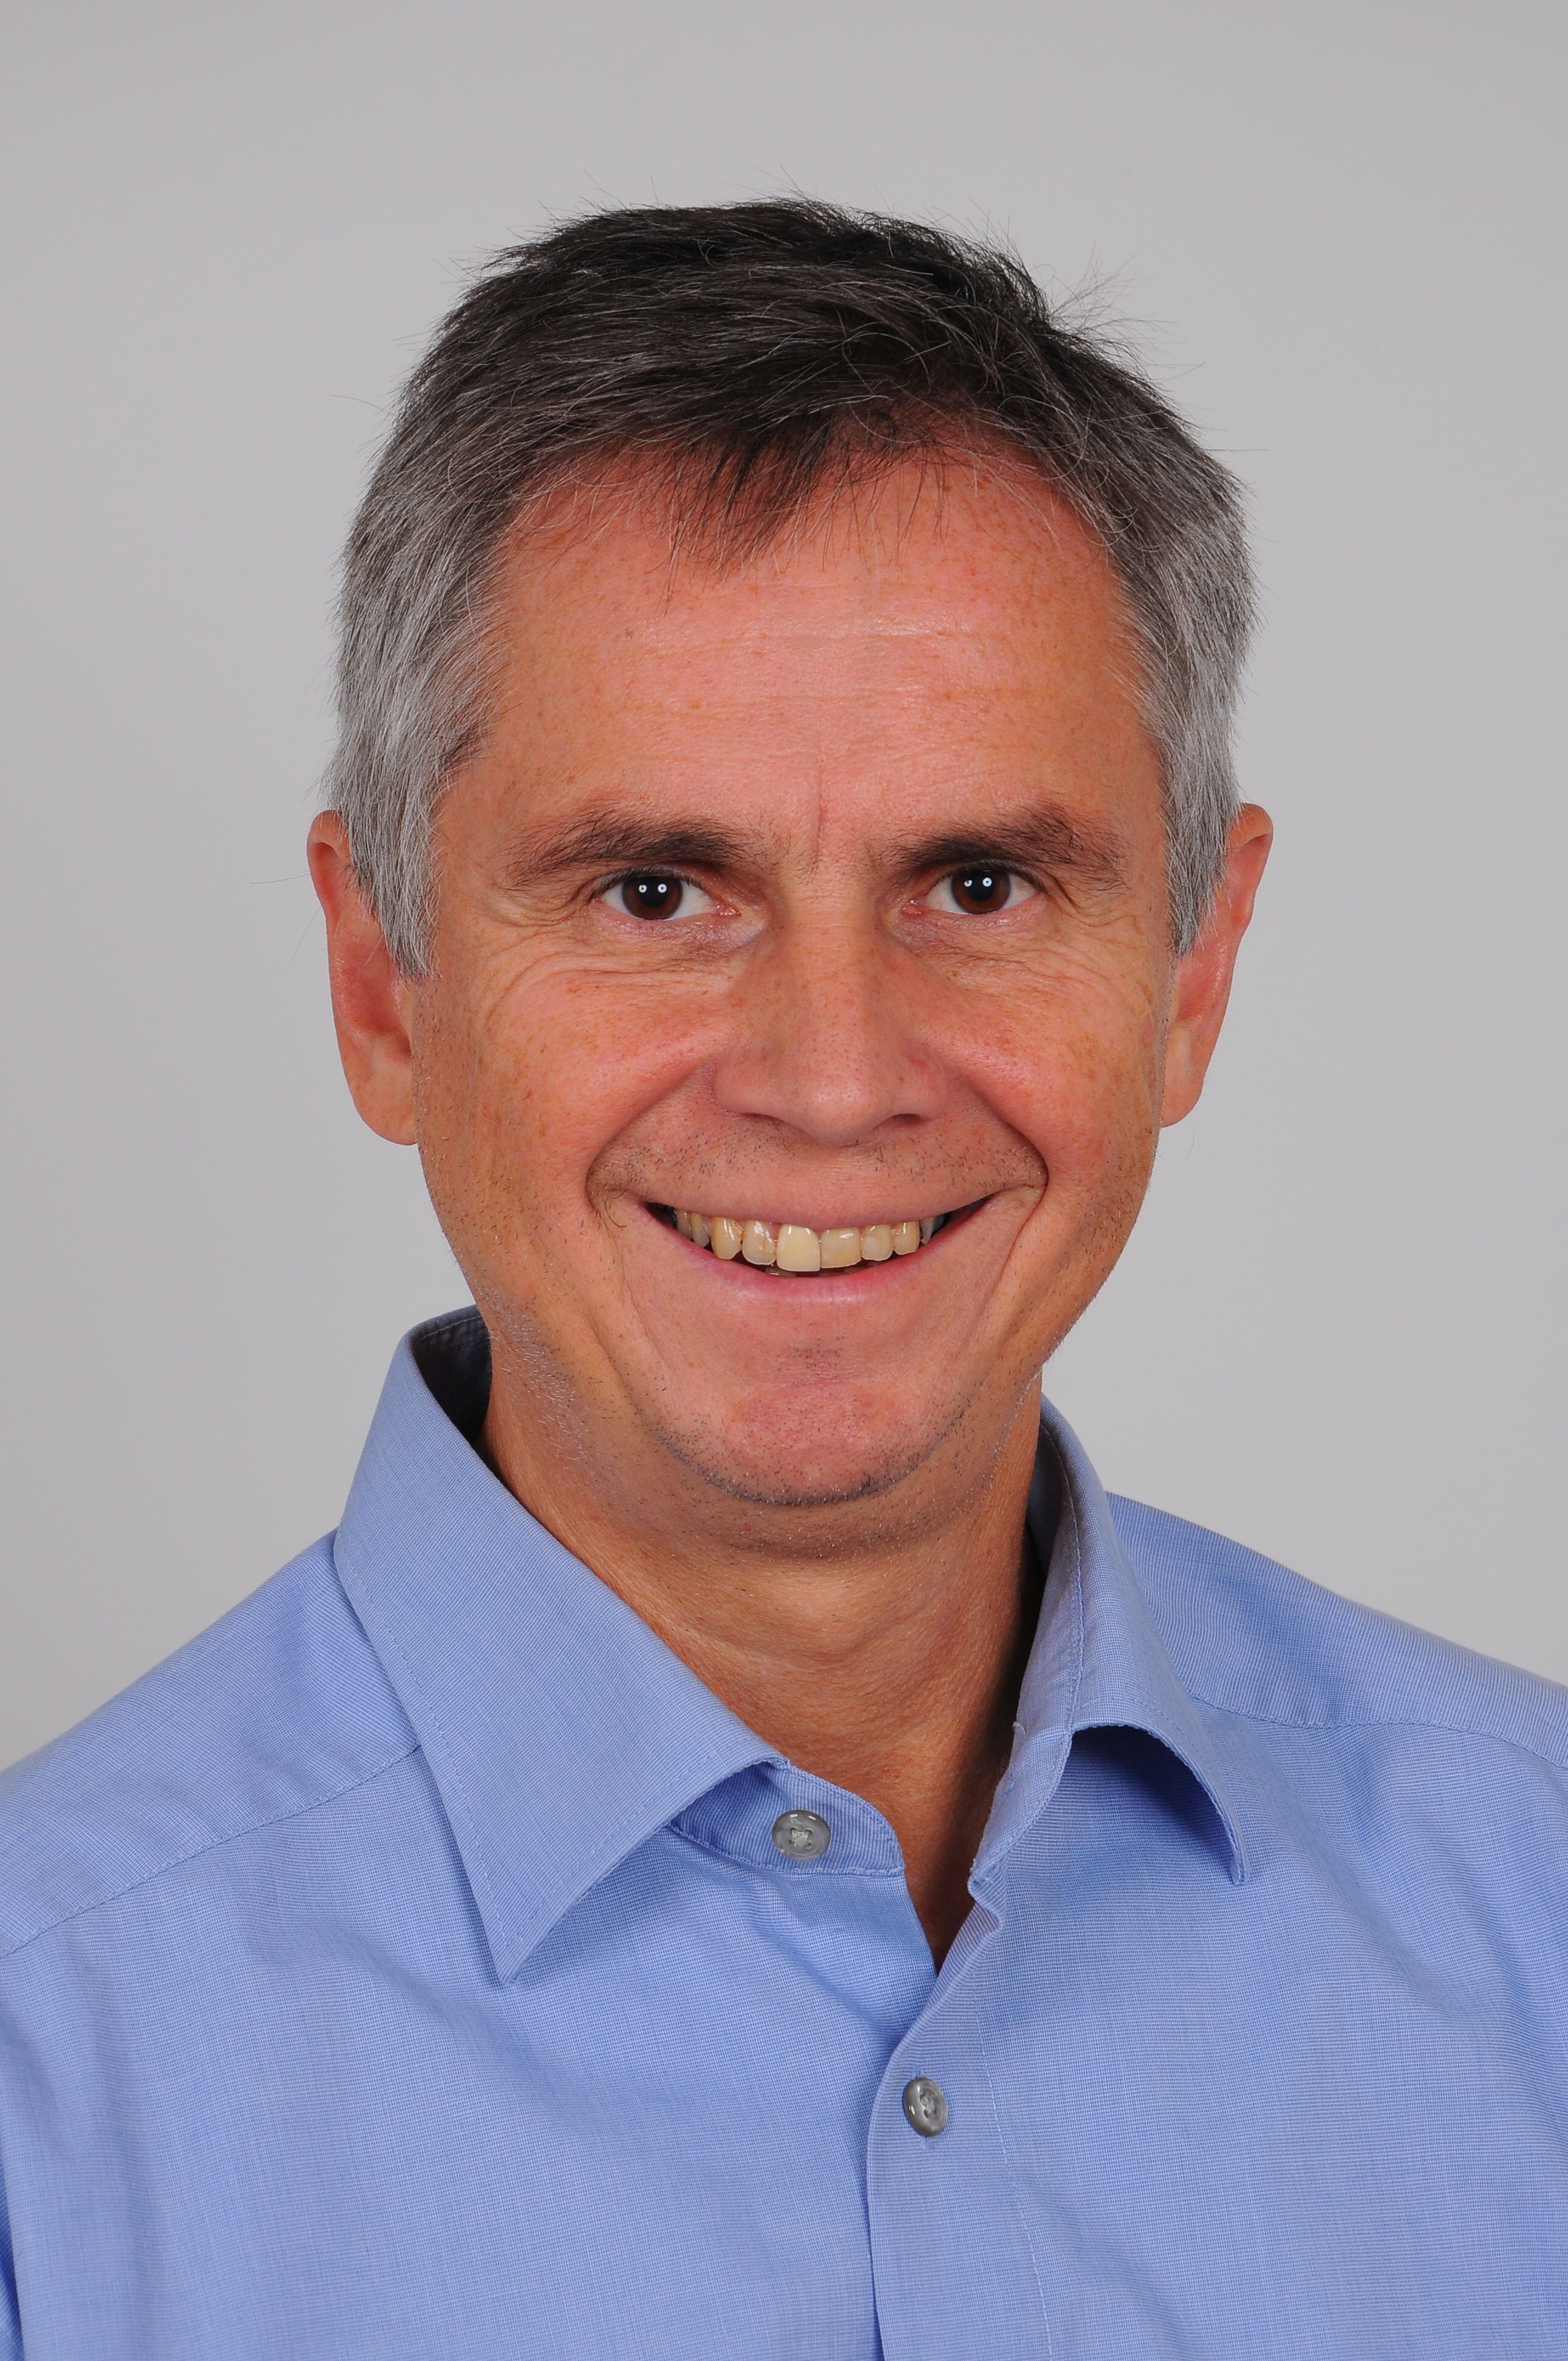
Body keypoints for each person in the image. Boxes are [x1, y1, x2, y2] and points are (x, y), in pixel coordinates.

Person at [1, 200, 1563, 2360]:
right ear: (384, 987)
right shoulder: (42, 2075)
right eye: (656, 891)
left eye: (980, 883)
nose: (834, 1079)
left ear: (1193, 974)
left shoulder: (1542, 1902)